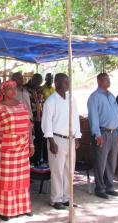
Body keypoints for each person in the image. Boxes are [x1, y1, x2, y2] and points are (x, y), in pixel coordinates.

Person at [0, 80, 34, 221]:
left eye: (15, 88)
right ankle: (4, 210)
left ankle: (23, 208)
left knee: (22, 180)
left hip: (22, 149)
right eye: (9, 88)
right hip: (5, 151)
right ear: (3, 91)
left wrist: (31, 144)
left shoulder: (23, 105)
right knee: (5, 182)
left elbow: (28, 127)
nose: (13, 91)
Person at [41, 73, 81, 210]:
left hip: (70, 138)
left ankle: (67, 198)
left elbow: (75, 118)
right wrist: (51, 142)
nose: (68, 85)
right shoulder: (50, 101)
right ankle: (56, 199)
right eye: (65, 82)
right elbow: (46, 123)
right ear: (57, 83)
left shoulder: (71, 99)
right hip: (56, 139)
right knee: (57, 171)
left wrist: (77, 136)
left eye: (68, 82)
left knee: (70, 170)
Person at [87, 72, 118, 199]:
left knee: (111, 163)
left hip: (113, 133)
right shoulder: (94, 97)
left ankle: (109, 187)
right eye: (106, 80)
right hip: (102, 133)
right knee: (100, 163)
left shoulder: (111, 96)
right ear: (99, 81)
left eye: (109, 79)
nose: (108, 81)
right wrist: (97, 134)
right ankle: (100, 188)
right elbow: (93, 117)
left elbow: (117, 115)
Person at [24, 73, 46, 165]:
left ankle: (37, 160)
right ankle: (30, 161)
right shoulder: (24, 89)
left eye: (39, 83)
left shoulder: (40, 89)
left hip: (40, 118)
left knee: (40, 139)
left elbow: (42, 102)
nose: (38, 84)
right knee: (31, 140)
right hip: (29, 118)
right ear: (32, 79)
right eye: (37, 82)